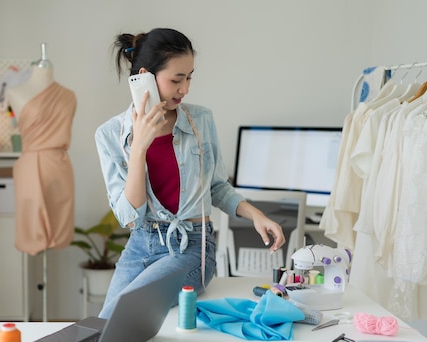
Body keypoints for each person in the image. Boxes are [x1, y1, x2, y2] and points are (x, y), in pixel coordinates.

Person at [94, 28, 285, 319]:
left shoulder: (201, 120)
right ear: (145, 76)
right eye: (176, 79)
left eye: (190, 77)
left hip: (193, 247)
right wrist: (138, 148)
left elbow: (218, 186)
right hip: (140, 246)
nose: (185, 89)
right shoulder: (109, 134)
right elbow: (130, 217)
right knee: (104, 323)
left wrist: (256, 215)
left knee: (124, 313)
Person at [8, 51, 77, 256]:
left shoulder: (68, 96)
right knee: (31, 222)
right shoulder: (15, 92)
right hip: (30, 165)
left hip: (59, 165)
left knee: (59, 219)